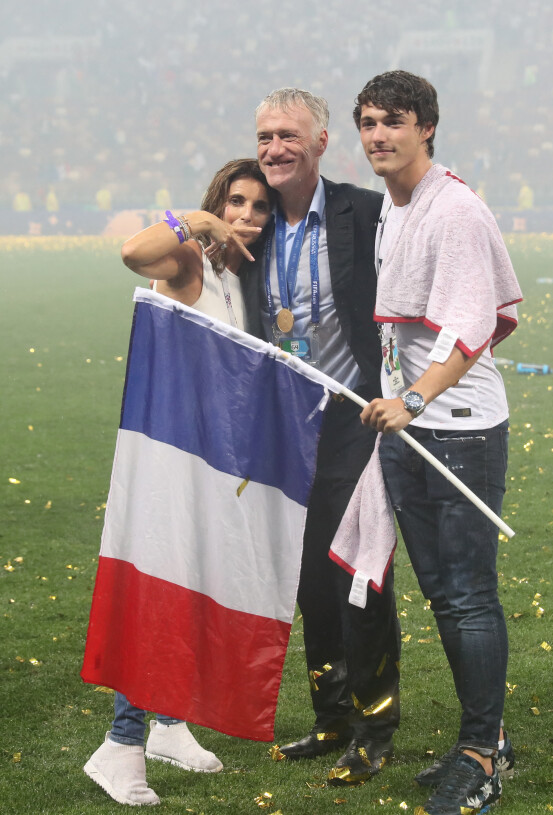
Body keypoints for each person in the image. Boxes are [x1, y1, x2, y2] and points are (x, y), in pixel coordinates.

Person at [354, 70, 522, 815]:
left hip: (456, 428)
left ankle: (484, 754)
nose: (377, 135)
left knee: (467, 595)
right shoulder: (399, 205)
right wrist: (400, 402)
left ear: (427, 125)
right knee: (445, 596)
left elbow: (469, 325)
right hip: (409, 425)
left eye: (393, 121)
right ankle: (484, 737)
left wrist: (415, 398)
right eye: (367, 122)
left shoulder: (453, 210)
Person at [84, 158, 274, 807]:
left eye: (259, 207)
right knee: (161, 594)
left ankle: (167, 725)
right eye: (236, 201)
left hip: (212, 465)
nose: (247, 216)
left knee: (193, 592)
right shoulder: (192, 257)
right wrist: (193, 219)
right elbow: (134, 251)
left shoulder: (236, 278)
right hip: (168, 459)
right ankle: (121, 742)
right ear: (218, 203)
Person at [252, 88, 401, 786]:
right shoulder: (248, 224)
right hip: (288, 421)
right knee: (310, 577)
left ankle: (376, 727)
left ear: (320, 143)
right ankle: (333, 717)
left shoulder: (361, 211)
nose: (273, 149)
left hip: (353, 416)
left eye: (288, 135)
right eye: (263, 138)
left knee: (357, 576)